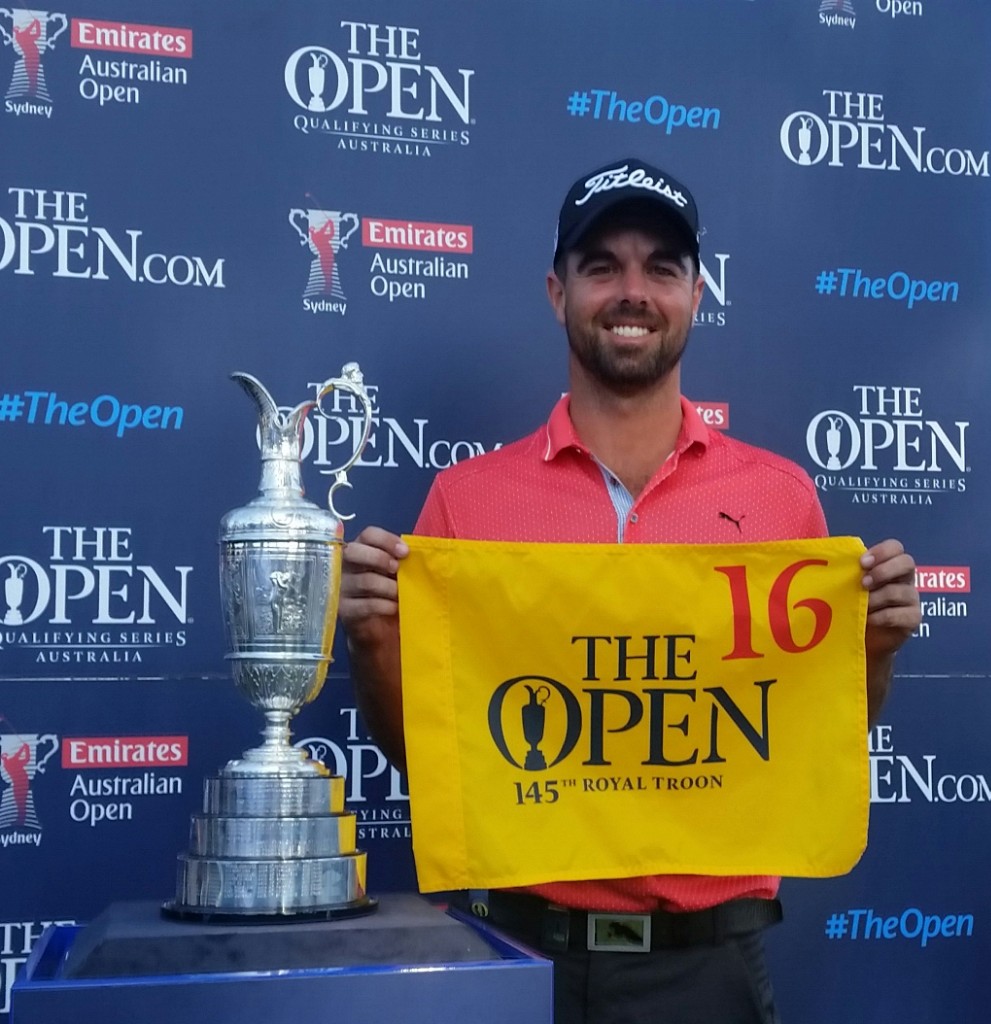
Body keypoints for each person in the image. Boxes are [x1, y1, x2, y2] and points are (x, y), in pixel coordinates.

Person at [338, 157, 921, 1024]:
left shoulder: (780, 499)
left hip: (705, 967)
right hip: (514, 953)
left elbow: (808, 737)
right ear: (555, 290)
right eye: (601, 265)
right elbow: (429, 757)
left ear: (696, 292)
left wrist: (869, 652)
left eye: (661, 267)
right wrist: (373, 644)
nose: (632, 291)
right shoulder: (466, 500)